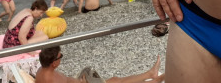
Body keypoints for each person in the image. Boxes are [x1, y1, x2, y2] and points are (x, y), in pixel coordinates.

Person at [35, 46, 164, 83]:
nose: (62, 58)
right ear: (53, 63)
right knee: (116, 81)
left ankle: (150, 75)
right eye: (60, 56)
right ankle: (153, 79)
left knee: (114, 80)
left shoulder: (43, 69)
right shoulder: (51, 80)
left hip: (79, 81)